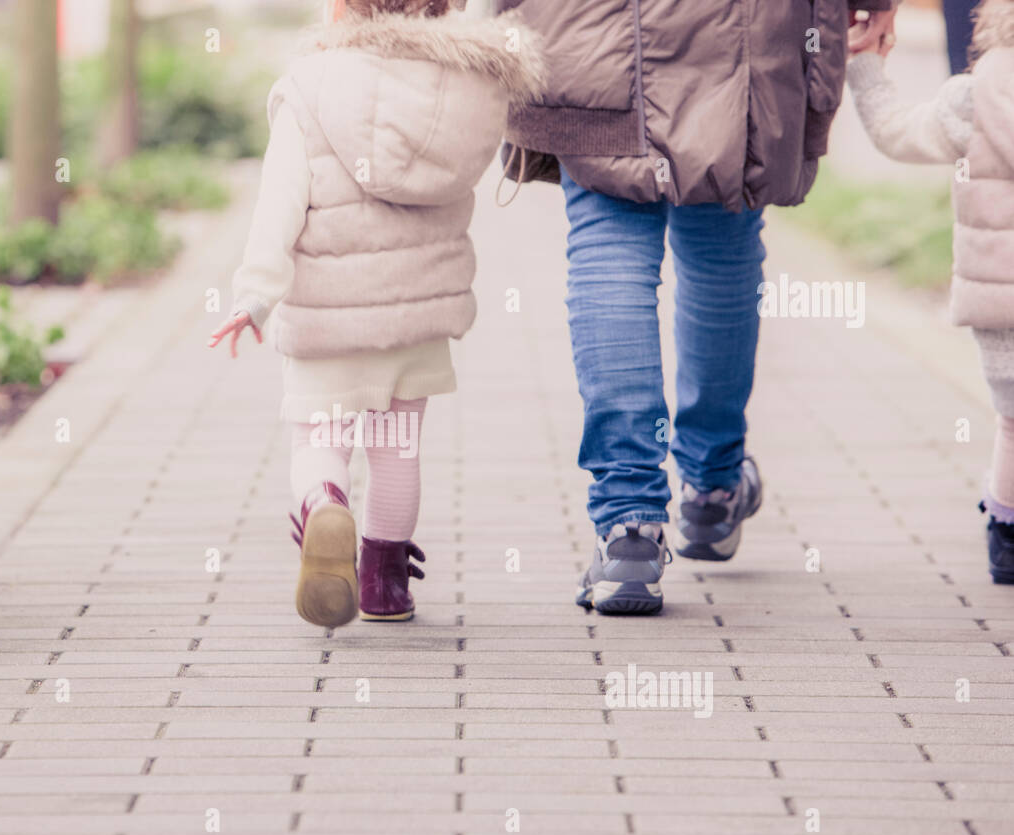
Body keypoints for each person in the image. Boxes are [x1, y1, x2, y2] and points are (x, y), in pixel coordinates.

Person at [492, 0, 898, 614]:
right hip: (738, 37)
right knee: (722, 241)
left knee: (610, 240)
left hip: (589, 29)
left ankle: (630, 526)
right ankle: (711, 483)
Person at [208, 0, 544, 626]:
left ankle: (323, 503)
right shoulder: (468, 89)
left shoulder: (309, 86)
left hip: (330, 317)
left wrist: (254, 295)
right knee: (396, 450)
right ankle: (384, 584)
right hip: (416, 318)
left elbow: (279, 202)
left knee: (320, 437)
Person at [846, 0, 1014, 584]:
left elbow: (897, 132)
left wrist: (864, 67)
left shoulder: (980, 91)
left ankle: (1007, 533)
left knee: (1012, 420)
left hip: (1000, 304)